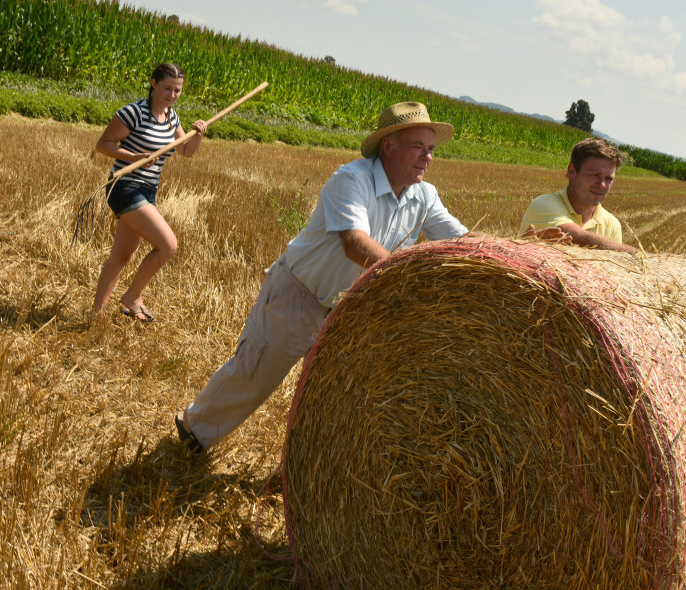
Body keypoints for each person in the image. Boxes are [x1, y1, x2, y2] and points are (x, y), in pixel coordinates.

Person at [175, 101, 478, 453]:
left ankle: (298, 471)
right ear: (389, 146)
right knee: (253, 377)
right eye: (417, 147)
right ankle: (193, 431)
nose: (427, 157)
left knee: (325, 398)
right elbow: (355, 244)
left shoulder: (424, 196)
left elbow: (460, 240)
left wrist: (515, 250)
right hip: (298, 296)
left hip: (344, 310)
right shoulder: (353, 179)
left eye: (431, 149)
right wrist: (406, 277)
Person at [92, 63, 207, 321]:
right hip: (124, 187)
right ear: (154, 83)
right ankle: (133, 296)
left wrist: (197, 134)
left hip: (147, 190)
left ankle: (95, 315)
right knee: (168, 245)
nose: (172, 95)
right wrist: (135, 156)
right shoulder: (133, 113)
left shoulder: (171, 118)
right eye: (167, 88)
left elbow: (186, 151)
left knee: (121, 256)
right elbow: (103, 145)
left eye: (177, 91)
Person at [518, 137, 637, 253]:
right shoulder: (543, 204)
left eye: (608, 178)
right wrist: (639, 256)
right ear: (572, 171)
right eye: (595, 175)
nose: (602, 185)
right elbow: (578, 238)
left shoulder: (612, 224)